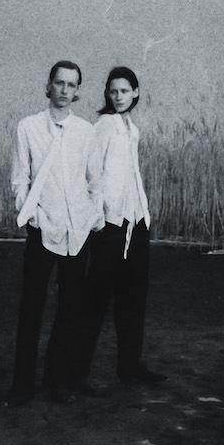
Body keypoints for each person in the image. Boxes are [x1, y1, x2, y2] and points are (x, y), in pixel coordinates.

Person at [6, 60, 104, 407]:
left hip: (77, 231)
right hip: (43, 229)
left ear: (77, 91)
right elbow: (20, 179)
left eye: (71, 85)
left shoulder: (86, 131)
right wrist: (32, 216)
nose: (64, 90)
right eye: (59, 83)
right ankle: (22, 387)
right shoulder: (28, 127)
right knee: (31, 307)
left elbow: (95, 181)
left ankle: (56, 382)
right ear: (48, 85)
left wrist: (91, 216)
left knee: (69, 309)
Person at [77, 66, 166, 387]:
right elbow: (92, 173)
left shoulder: (133, 129)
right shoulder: (104, 125)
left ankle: (129, 368)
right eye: (113, 91)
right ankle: (77, 375)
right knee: (96, 300)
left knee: (133, 299)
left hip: (136, 224)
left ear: (136, 93)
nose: (118, 97)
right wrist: (99, 218)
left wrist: (143, 215)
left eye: (124, 91)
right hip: (111, 226)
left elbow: (131, 174)